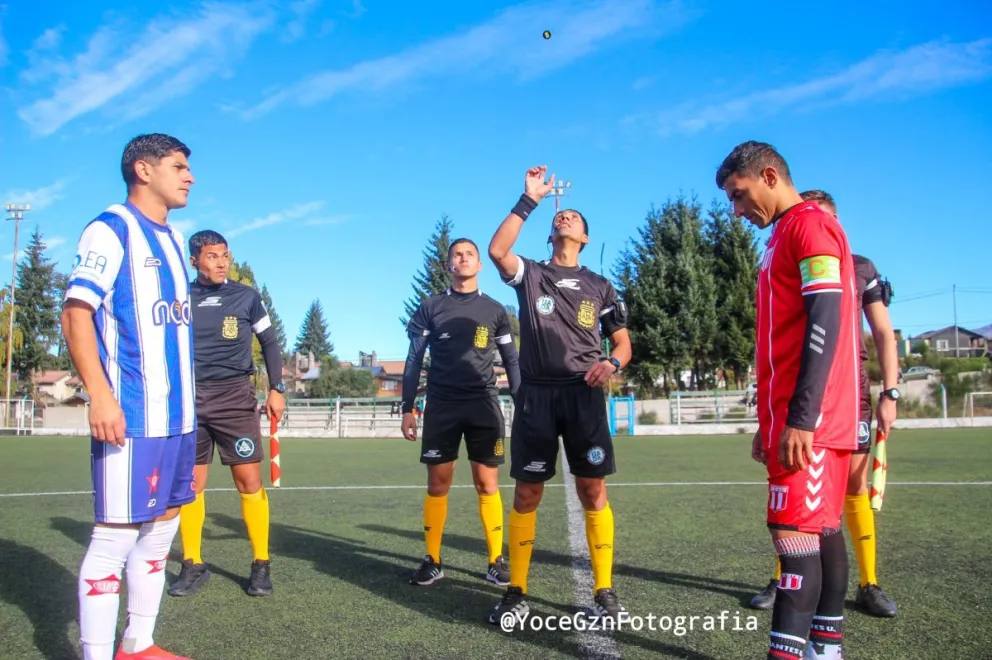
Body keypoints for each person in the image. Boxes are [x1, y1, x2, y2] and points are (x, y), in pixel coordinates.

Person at [716, 141, 860, 660]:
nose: (735, 209)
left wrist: (802, 418)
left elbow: (825, 319)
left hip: (813, 421)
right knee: (820, 531)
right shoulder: (782, 235)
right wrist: (769, 421)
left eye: (739, 194)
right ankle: (825, 649)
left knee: (794, 535)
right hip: (792, 419)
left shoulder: (809, 226)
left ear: (769, 176)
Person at [62, 133, 197, 660]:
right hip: (135, 415)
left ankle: (137, 644)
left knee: (162, 532)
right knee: (114, 539)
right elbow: (77, 313)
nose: (190, 176)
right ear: (144, 169)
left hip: (180, 418)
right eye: (180, 166)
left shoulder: (171, 238)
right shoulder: (110, 228)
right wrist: (100, 395)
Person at [486, 166, 633, 624]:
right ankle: (517, 589)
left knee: (593, 489)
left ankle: (604, 589)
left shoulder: (601, 285)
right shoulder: (531, 274)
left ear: (585, 238)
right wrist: (528, 199)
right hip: (537, 397)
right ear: (551, 233)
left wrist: (613, 362)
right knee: (528, 492)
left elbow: (624, 343)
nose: (564, 218)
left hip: (584, 396)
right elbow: (497, 250)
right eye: (561, 216)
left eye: (573, 217)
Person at [749, 190, 899, 618]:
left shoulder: (860, 265)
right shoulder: (787, 251)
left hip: (849, 396)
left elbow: (884, 333)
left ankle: (868, 583)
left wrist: (891, 392)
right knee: (795, 500)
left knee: (849, 488)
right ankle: (787, 578)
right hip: (800, 396)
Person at [168, 230, 286, 598]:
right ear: (194, 261)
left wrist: (277, 388)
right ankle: (192, 563)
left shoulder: (247, 297)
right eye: (212, 256)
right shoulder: (179, 298)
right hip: (191, 399)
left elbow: (269, 342)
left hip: (235, 397)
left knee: (249, 482)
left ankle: (261, 564)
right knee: (191, 486)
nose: (221, 262)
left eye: (225, 255)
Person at [402, 237, 521, 586]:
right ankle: (433, 559)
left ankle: (496, 560)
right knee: (438, 483)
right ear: (449, 264)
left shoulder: (496, 311)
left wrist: (523, 402)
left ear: (480, 265)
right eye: (457, 254)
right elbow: (413, 359)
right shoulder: (431, 306)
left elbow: (511, 361)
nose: (464, 259)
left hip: (484, 405)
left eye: (470, 254)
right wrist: (408, 408)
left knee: (487, 483)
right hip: (441, 405)